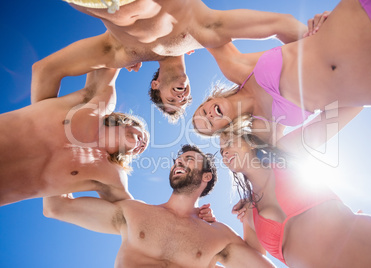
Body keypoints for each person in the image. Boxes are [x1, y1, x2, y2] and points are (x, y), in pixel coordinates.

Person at [32, 0, 308, 123]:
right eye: (186, 101)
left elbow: (45, 70)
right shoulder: (203, 34)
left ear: (156, 84)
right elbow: (285, 26)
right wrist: (316, 44)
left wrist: (44, 128)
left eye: (172, 101)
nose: (183, 98)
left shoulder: (122, 54)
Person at [193, 0, 371, 141]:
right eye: (209, 123)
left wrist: (318, 35)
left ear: (208, 101)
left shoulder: (236, 67)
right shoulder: (263, 130)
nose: (209, 115)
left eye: (203, 112)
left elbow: (199, 23)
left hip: (364, 18)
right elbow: (273, 171)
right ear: (223, 129)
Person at [43, 144, 276, 268]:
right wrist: (71, 153)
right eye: (178, 160)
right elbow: (56, 207)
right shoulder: (135, 212)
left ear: (206, 177)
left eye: (188, 160)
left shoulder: (218, 235)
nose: (179, 162)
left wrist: (250, 218)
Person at [219, 127, 371, 268]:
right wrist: (204, 222)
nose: (224, 152)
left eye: (229, 143)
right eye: (221, 151)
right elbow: (250, 261)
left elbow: (342, 109)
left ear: (250, 140)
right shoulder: (249, 214)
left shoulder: (286, 159)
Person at [0, 68, 149, 206]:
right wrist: (132, 56)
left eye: (142, 148)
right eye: (143, 137)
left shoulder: (112, 175)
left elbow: (134, 213)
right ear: (128, 122)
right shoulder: (99, 104)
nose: (142, 144)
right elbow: (112, 58)